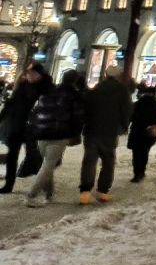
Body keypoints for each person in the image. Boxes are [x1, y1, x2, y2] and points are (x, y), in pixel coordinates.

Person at [24, 69, 84, 207]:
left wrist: (35, 128)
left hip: (41, 133)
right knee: (48, 165)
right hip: (59, 134)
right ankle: (30, 195)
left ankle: (49, 194)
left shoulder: (48, 92)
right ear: (75, 80)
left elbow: (35, 112)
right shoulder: (74, 95)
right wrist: (75, 134)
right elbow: (78, 117)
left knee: (48, 164)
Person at [79, 69, 133, 203]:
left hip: (92, 131)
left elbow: (85, 108)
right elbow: (126, 110)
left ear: (106, 75)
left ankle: (85, 192)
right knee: (108, 162)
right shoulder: (122, 90)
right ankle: (102, 191)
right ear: (118, 76)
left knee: (89, 161)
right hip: (110, 131)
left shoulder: (96, 88)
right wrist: (124, 126)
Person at [0, 62, 51, 193]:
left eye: (33, 73)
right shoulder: (22, 86)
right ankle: (8, 185)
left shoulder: (47, 88)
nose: (30, 75)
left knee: (37, 157)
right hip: (17, 126)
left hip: (35, 128)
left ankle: (45, 187)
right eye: (28, 73)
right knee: (12, 156)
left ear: (39, 74)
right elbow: (11, 103)